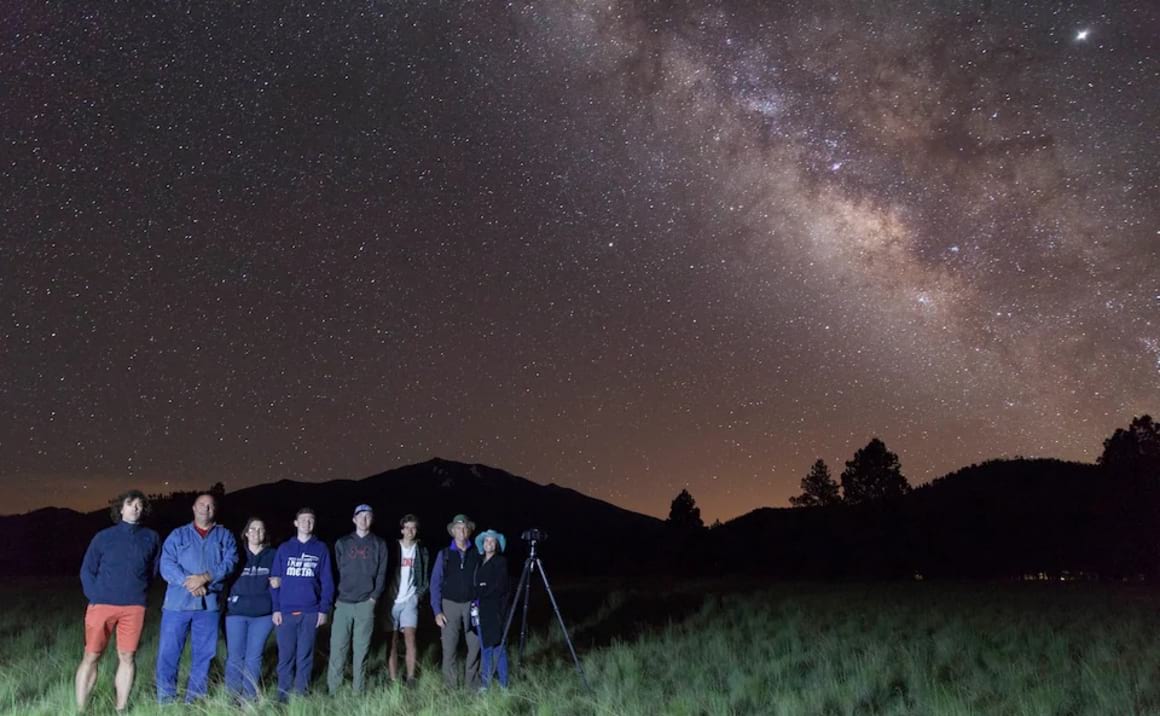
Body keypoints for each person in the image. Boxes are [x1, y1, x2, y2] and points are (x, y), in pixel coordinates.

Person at [76, 490, 160, 713]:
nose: (136, 508)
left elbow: (153, 571)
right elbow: (87, 570)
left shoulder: (151, 537)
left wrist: (138, 592)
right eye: (130, 504)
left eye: (140, 505)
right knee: (92, 655)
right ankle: (81, 708)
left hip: (134, 606)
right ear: (120, 509)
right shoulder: (103, 537)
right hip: (102, 604)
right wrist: (95, 596)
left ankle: (120, 709)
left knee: (127, 656)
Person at [156, 492, 238, 704]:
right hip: (177, 605)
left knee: (203, 656)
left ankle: (194, 699)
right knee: (169, 653)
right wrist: (188, 581)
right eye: (202, 504)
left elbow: (230, 562)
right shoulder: (178, 535)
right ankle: (166, 700)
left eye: (210, 505)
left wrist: (206, 578)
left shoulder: (225, 536)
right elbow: (166, 564)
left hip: (208, 606)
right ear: (194, 508)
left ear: (215, 510)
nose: (206, 509)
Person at [271, 507, 334, 702]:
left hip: (311, 611)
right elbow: (274, 581)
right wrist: (276, 609)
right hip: (287, 612)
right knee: (286, 656)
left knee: (305, 655)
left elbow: (327, 581)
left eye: (311, 520)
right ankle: (283, 695)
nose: (307, 523)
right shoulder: (284, 549)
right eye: (304, 519)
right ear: (296, 523)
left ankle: (301, 693)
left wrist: (323, 609)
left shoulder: (321, 548)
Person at [327, 504, 387, 694]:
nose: (364, 520)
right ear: (354, 519)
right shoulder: (342, 543)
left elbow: (382, 573)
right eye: (360, 516)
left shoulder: (379, 544)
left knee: (361, 650)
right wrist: (336, 596)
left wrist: (374, 598)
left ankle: (357, 690)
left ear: (372, 520)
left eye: (368, 516)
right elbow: (335, 571)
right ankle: (334, 690)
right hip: (343, 603)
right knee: (338, 648)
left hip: (365, 604)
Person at [224, 517, 275, 701]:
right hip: (236, 613)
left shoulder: (273, 555)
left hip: (263, 615)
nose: (256, 533)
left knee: (254, 657)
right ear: (246, 533)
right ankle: (231, 697)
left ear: (265, 534)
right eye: (252, 529)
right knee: (235, 656)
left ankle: (249, 698)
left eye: (260, 529)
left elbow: (279, 580)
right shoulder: (236, 554)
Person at [430, 513, 482, 689]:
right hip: (449, 605)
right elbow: (435, 583)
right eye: (458, 528)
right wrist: (437, 611)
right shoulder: (443, 554)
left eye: (465, 527)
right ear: (452, 531)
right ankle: (450, 687)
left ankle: (472, 685)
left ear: (469, 531)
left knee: (475, 646)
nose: (462, 531)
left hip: (472, 605)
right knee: (449, 648)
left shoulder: (477, 553)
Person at [387, 513, 429, 685]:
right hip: (391, 601)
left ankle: (411, 678)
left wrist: (418, 596)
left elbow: (425, 576)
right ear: (402, 529)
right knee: (392, 641)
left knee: (410, 638)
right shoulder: (392, 548)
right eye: (408, 527)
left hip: (410, 600)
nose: (411, 531)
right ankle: (393, 679)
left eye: (414, 528)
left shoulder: (421, 550)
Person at [473, 529, 511, 689]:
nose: (489, 543)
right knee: (485, 648)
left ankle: (504, 685)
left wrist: (482, 590)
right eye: (486, 541)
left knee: (498, 648)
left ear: (496, 545)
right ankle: (485, 684)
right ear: (483, 544)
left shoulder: (500, 562)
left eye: (492, 541)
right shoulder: (479, 562)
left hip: (495, 611)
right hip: (480, 610)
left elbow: (500, 586)